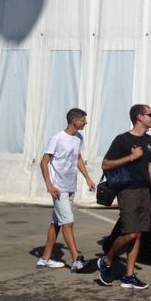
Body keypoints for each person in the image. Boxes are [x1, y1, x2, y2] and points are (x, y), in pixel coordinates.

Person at [97, 104, 151, 290]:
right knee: (130, 233)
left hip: (145, 191)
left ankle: (129, 275)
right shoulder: (122, 139)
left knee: (138, 234)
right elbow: (106, 164)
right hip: (128, 191)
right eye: (149, 114)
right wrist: (131, 157)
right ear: (139, 117)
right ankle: (106, 260)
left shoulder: (149, 140)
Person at [37, 108, 96, 271]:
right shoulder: (57, 138)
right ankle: (76, 260)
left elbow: (78, 158)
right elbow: (43, 162)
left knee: (57, 222)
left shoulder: (78, 138)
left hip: (70, 186)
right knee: (68, 222)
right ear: (74, 121)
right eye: (83, 120)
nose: (86, 122)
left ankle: (45, 258)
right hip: (58, 188)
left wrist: (88, 178)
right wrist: (49, 185)